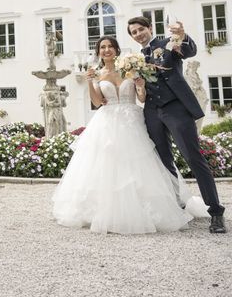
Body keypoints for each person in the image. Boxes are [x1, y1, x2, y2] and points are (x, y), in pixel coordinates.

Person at [52, 36, 203, 234]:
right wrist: (90, 81)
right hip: (107, 122)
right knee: (106, 163)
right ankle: (104, 210)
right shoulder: (97, 73)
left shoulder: (129, 68)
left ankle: (149, 208)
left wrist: (140, 85)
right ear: (98, 52)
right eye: (102, 47)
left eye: (110, 47)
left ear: (116, 50)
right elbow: (97, 102)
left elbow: (141, 98)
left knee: (139, 163)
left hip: (131, 119)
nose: (106, 50)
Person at [128, 16, 226, 233]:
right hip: (151, 111)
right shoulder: (135, 57)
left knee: (193, 157)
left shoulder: (166, 44)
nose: (138, 34)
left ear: (149, 28)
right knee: (163, 161)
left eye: (141, 29)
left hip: (176, 109)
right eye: (134, 32)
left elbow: (188, 51)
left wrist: (181, 35)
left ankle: (216, 212)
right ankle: (176, 206)